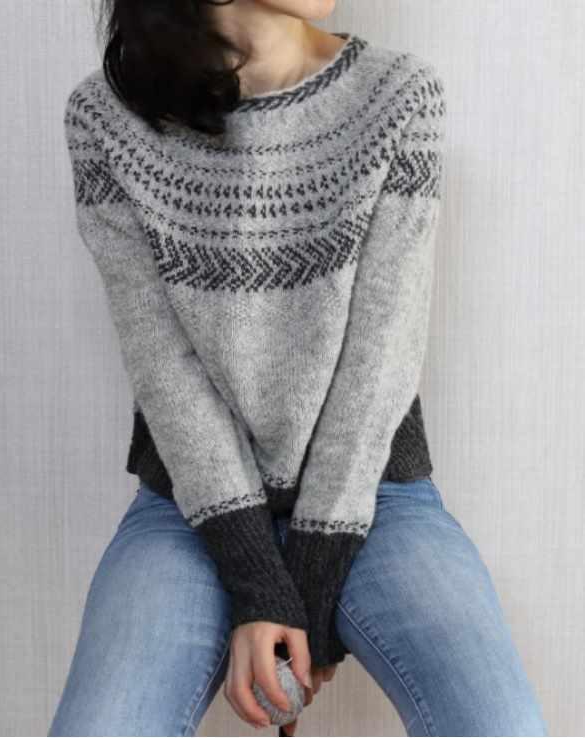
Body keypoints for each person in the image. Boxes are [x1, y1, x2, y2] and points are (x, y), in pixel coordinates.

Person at [49, 1, 548, 735]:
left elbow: (381, 358)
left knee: (502, 726)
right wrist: (256, 579)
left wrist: (308, 585)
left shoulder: (397, 94)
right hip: (190, 509)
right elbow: (164, 368)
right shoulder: (106, 117)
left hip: (374, 495)